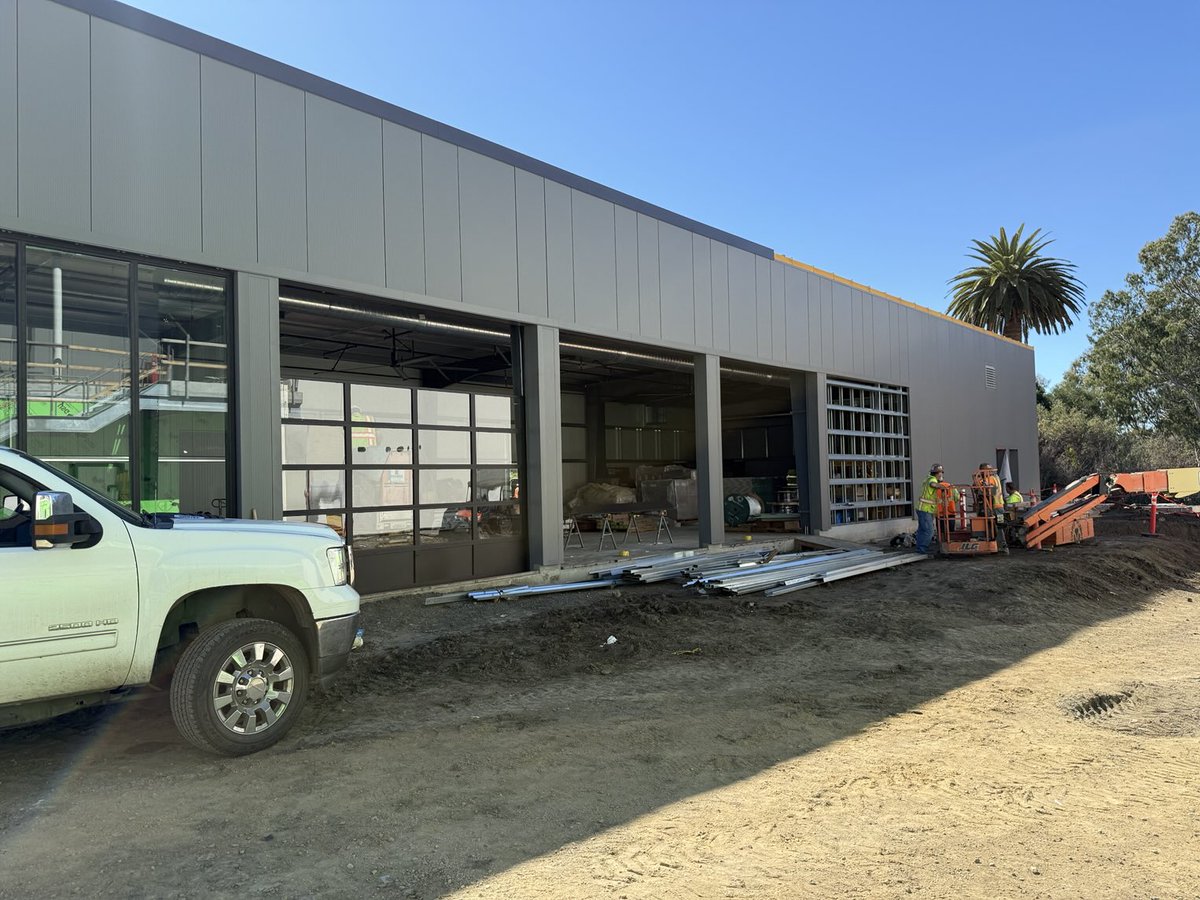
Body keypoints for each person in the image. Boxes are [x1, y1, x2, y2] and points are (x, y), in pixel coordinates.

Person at [915, 463, 945, 554]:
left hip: (923, 508)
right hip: (925, 509)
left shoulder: (927, 478)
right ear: (937, 473)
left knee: (922, 530)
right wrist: (943, 487)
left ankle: (920, 549)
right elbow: (933, 484)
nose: (941, 475)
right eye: (941, 473)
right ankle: (922, 549)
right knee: (929, 531)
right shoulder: (932, 479)